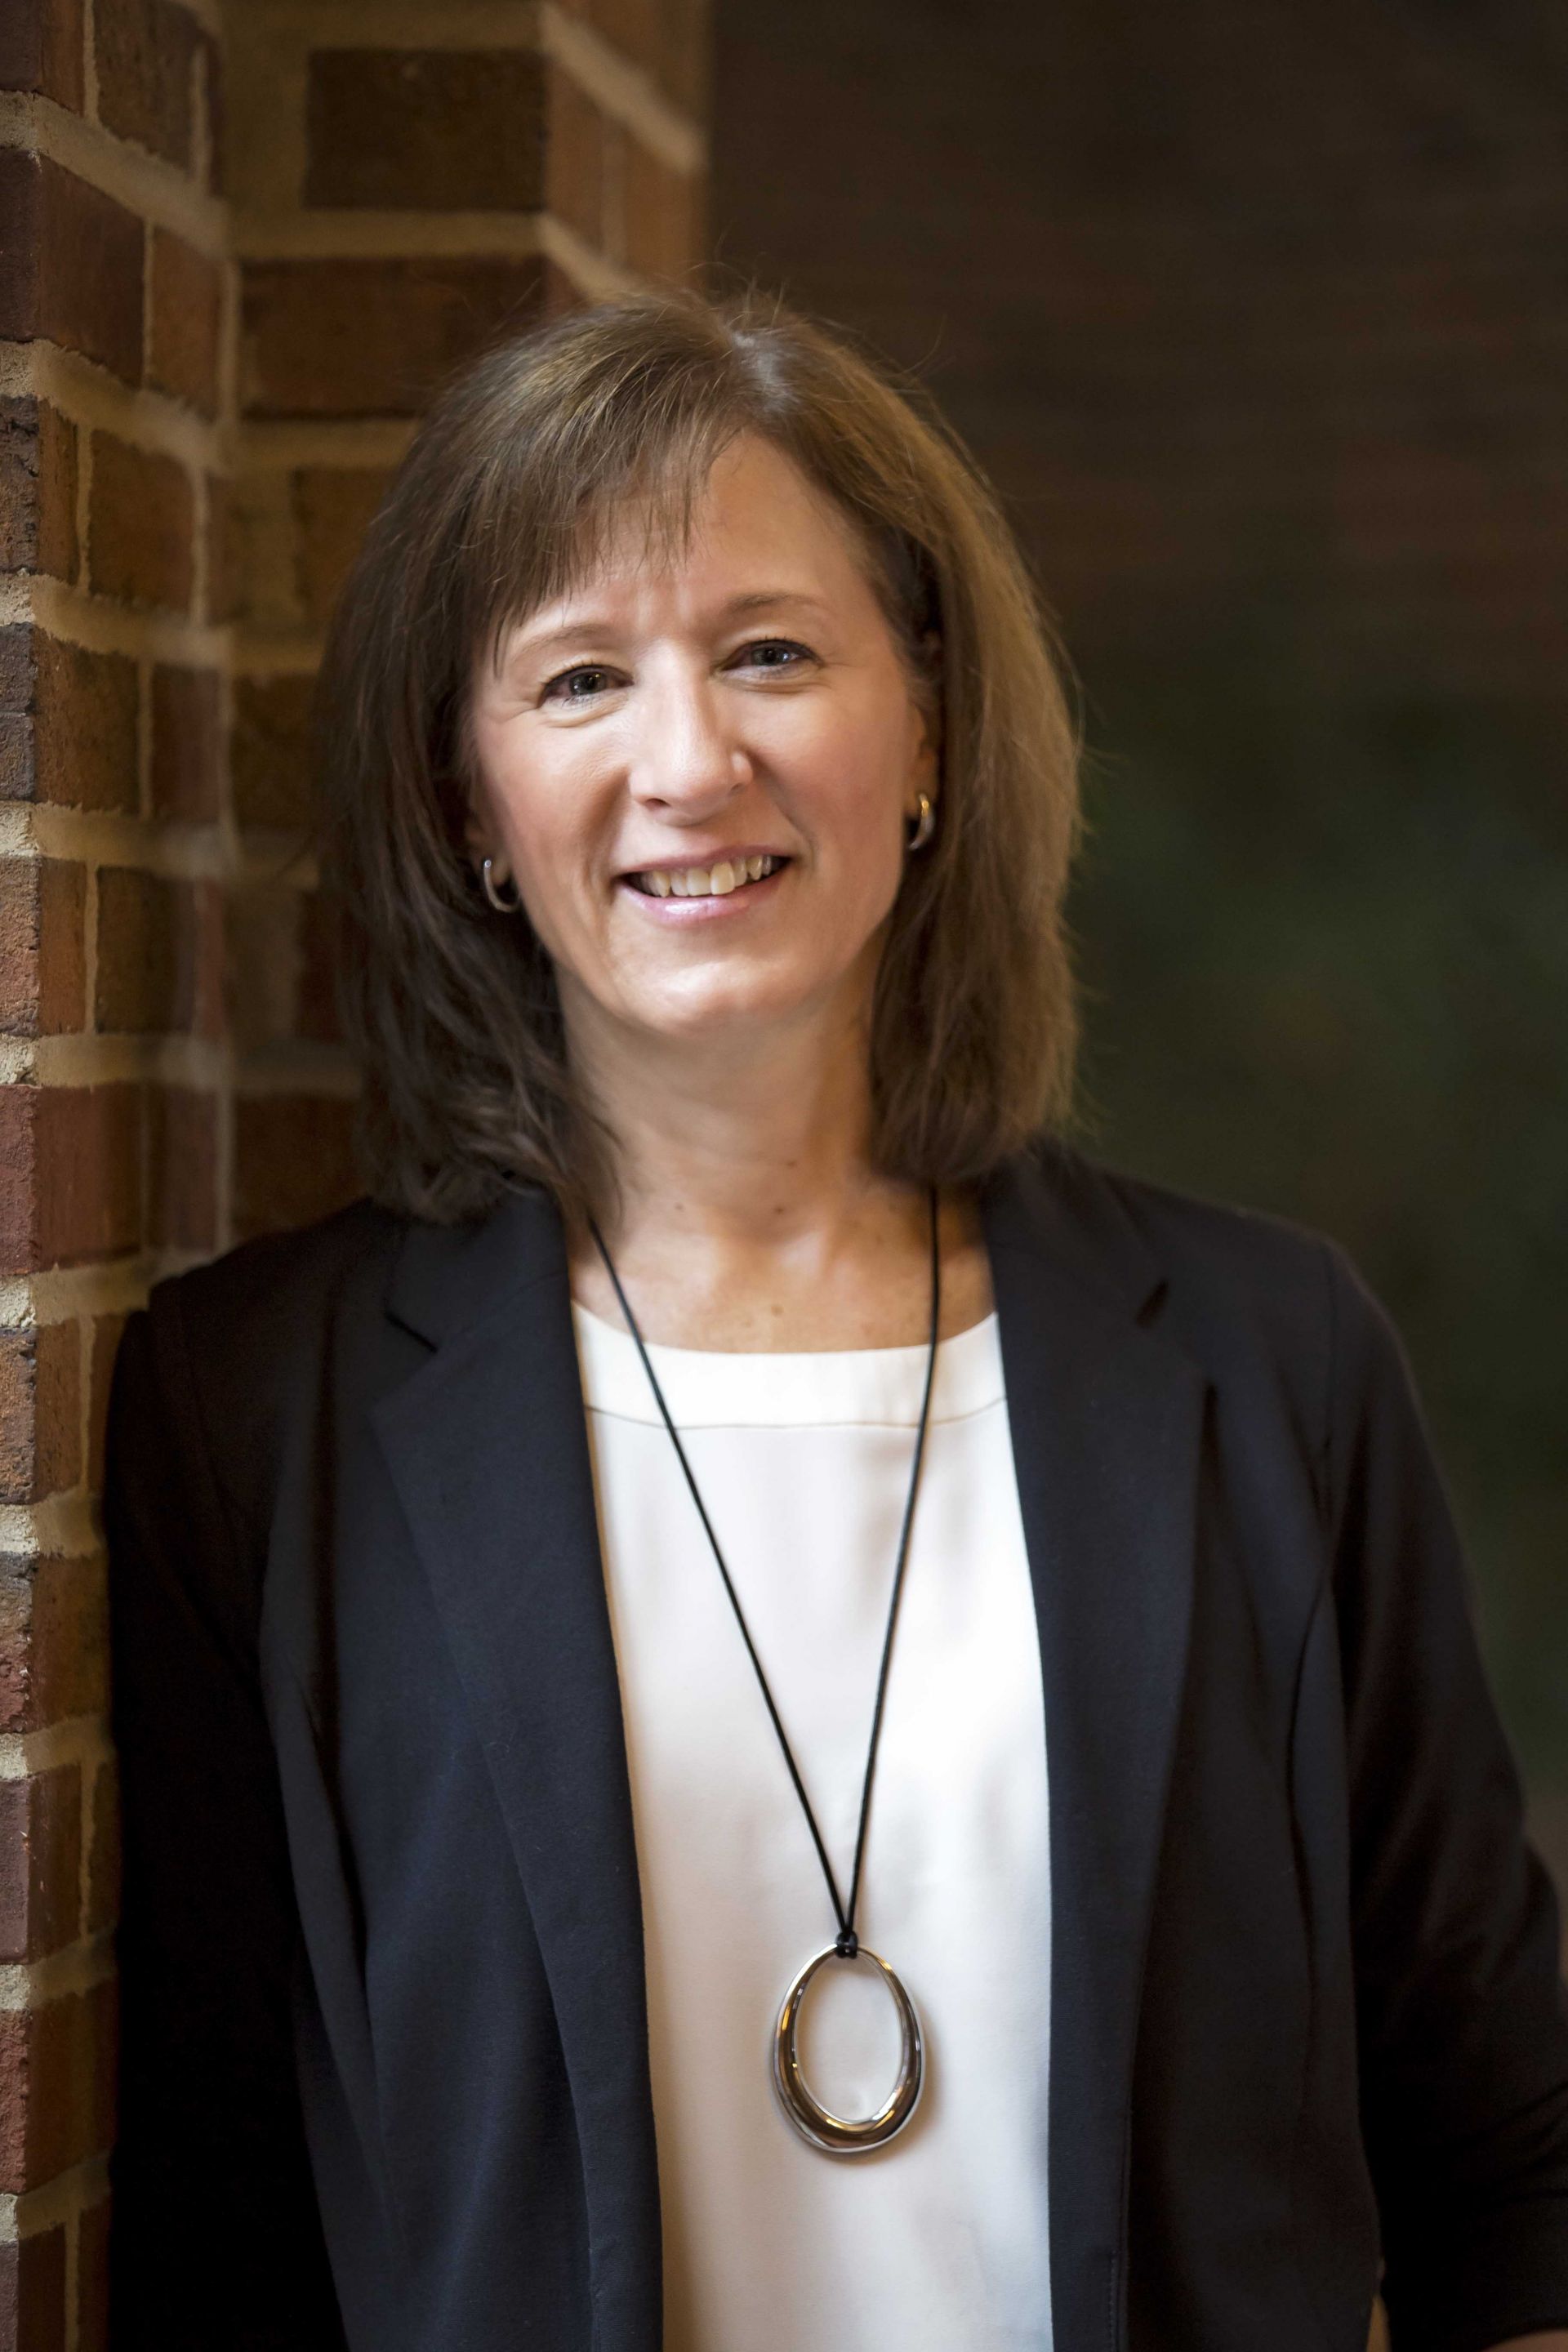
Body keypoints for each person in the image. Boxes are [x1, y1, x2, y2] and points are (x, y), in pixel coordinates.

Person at [103, 289, 1568, 2352]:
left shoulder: (1269, 1362)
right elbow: (219, 2215)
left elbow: (1506, 2156)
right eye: (581, 678)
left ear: (934, 734)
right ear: (468, 811)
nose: (690, 762)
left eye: (773, 652)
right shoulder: (258, 1412)